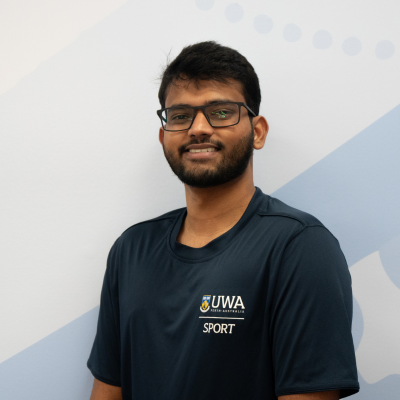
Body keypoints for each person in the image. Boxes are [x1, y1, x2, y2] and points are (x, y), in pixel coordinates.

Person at [87, 41, 359, 400]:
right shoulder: (131, 250)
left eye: (220, 112)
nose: (198, 128)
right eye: (180, 116)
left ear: (257, 131)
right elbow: (107, 392)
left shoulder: (299, 247)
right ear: (164, 136)